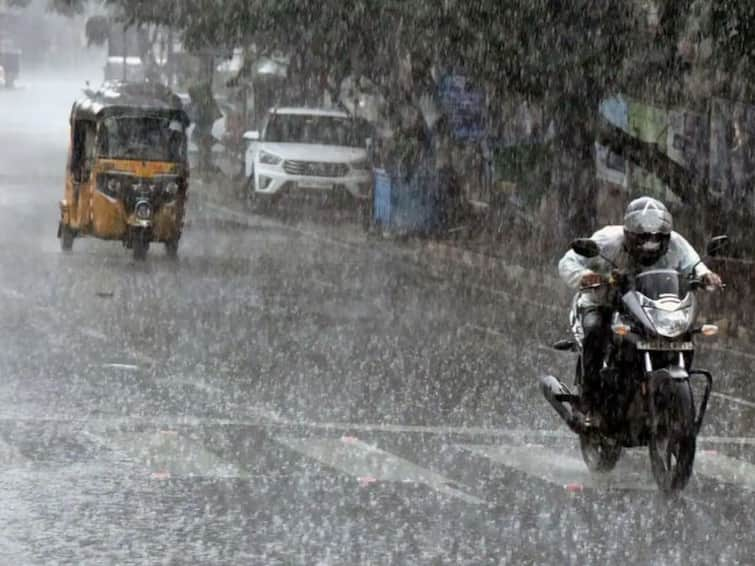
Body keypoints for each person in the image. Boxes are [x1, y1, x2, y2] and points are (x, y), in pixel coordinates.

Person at [558, 196, 724, 414]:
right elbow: (568, 262)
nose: (650, 244)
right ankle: (590, 402)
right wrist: (585, 277)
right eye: (643, 238)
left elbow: (694, 264)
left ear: (666, 237)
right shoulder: (607, 241)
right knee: (595, 332)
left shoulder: (676, 243)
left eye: (657, 238)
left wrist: (706, 276)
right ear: (628, 234)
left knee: (683, 334)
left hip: (650, 307)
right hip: (603, 302)